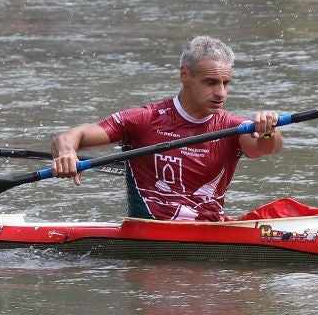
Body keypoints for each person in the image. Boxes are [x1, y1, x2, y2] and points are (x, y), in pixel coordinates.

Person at [45, 36, 283, 222]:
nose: (221, 92)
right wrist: (66, 153)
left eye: (225, 83)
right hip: (148, 233)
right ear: (185, 75)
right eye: (210, 82)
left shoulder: (232, 127)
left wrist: (268, 130)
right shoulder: (144, 119)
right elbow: (71, 136)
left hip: (209, 232)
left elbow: (265, 147)